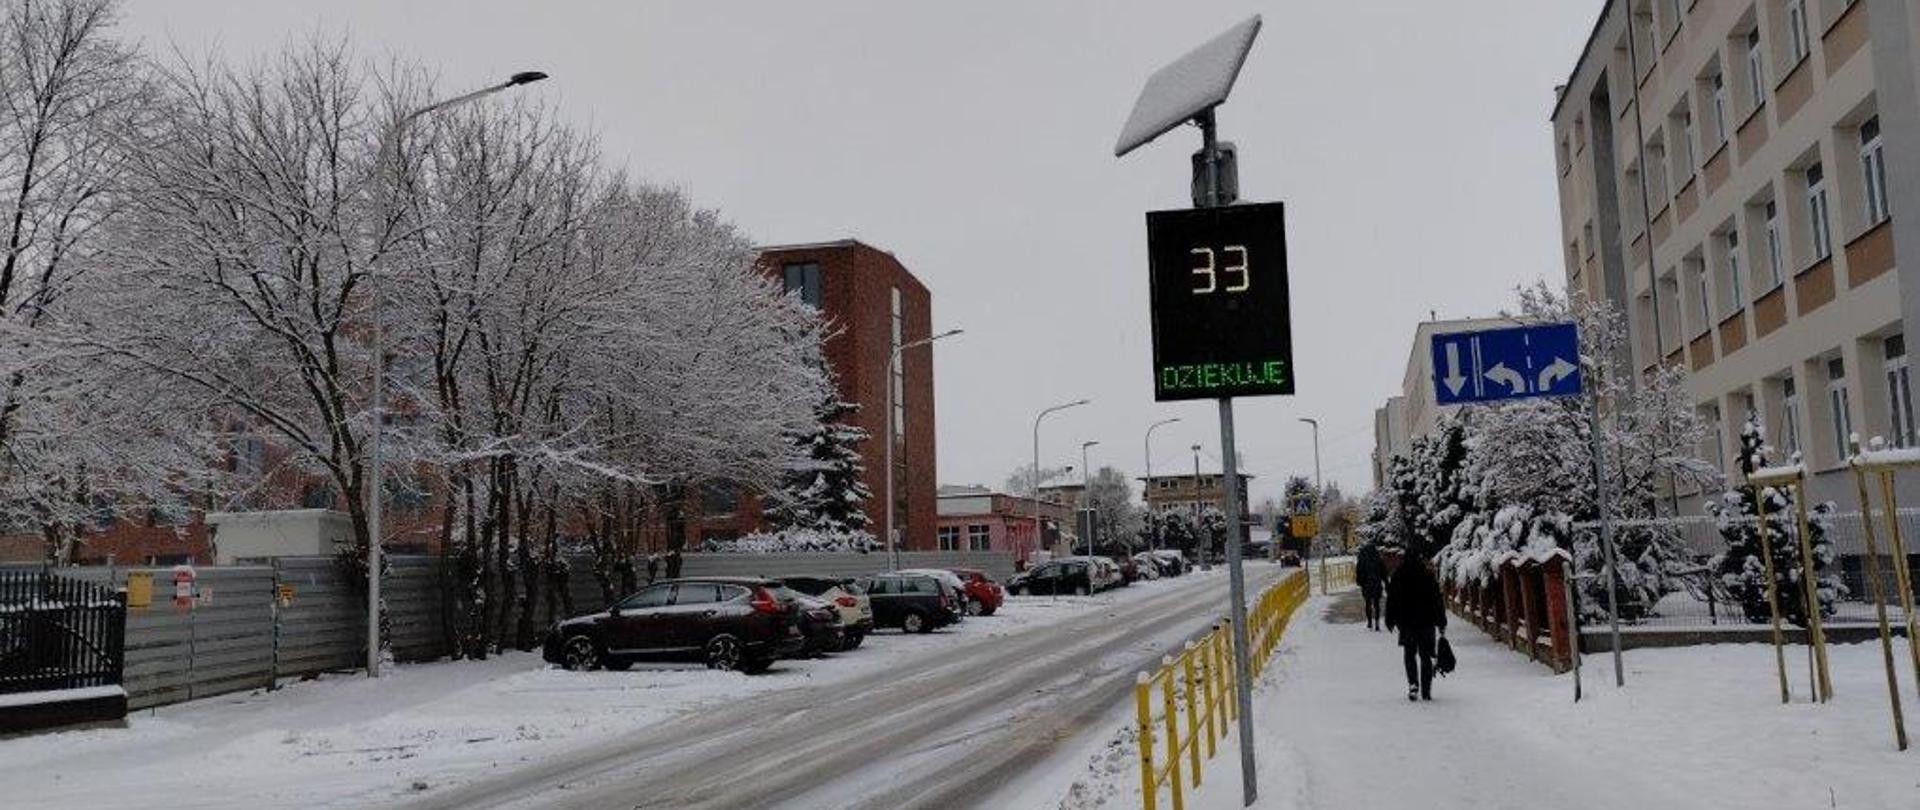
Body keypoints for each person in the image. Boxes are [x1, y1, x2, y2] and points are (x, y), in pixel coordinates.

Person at [1384, 552, 1447, 702]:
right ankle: (1426, 689)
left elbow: (1392, 599)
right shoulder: (1427, 575)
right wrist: (1441, 622)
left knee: (1409, 654)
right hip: (1426, 622)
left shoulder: (1398, 575)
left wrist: (1390, 619)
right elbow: (1437, 599)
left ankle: (1413, 684)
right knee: (1426, 656)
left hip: (1406, 623)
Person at [1355, 542, 1387, 631]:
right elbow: (1383, 573)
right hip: (1377, 584)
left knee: (1368, 603)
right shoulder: (1378, 559)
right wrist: (1386, 583)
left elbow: (1358, 572)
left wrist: (1360, 582)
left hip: (1366, 585)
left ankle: (1369, 622)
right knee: (1376, 604)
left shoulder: (1362, 560)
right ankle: (1377, 623)